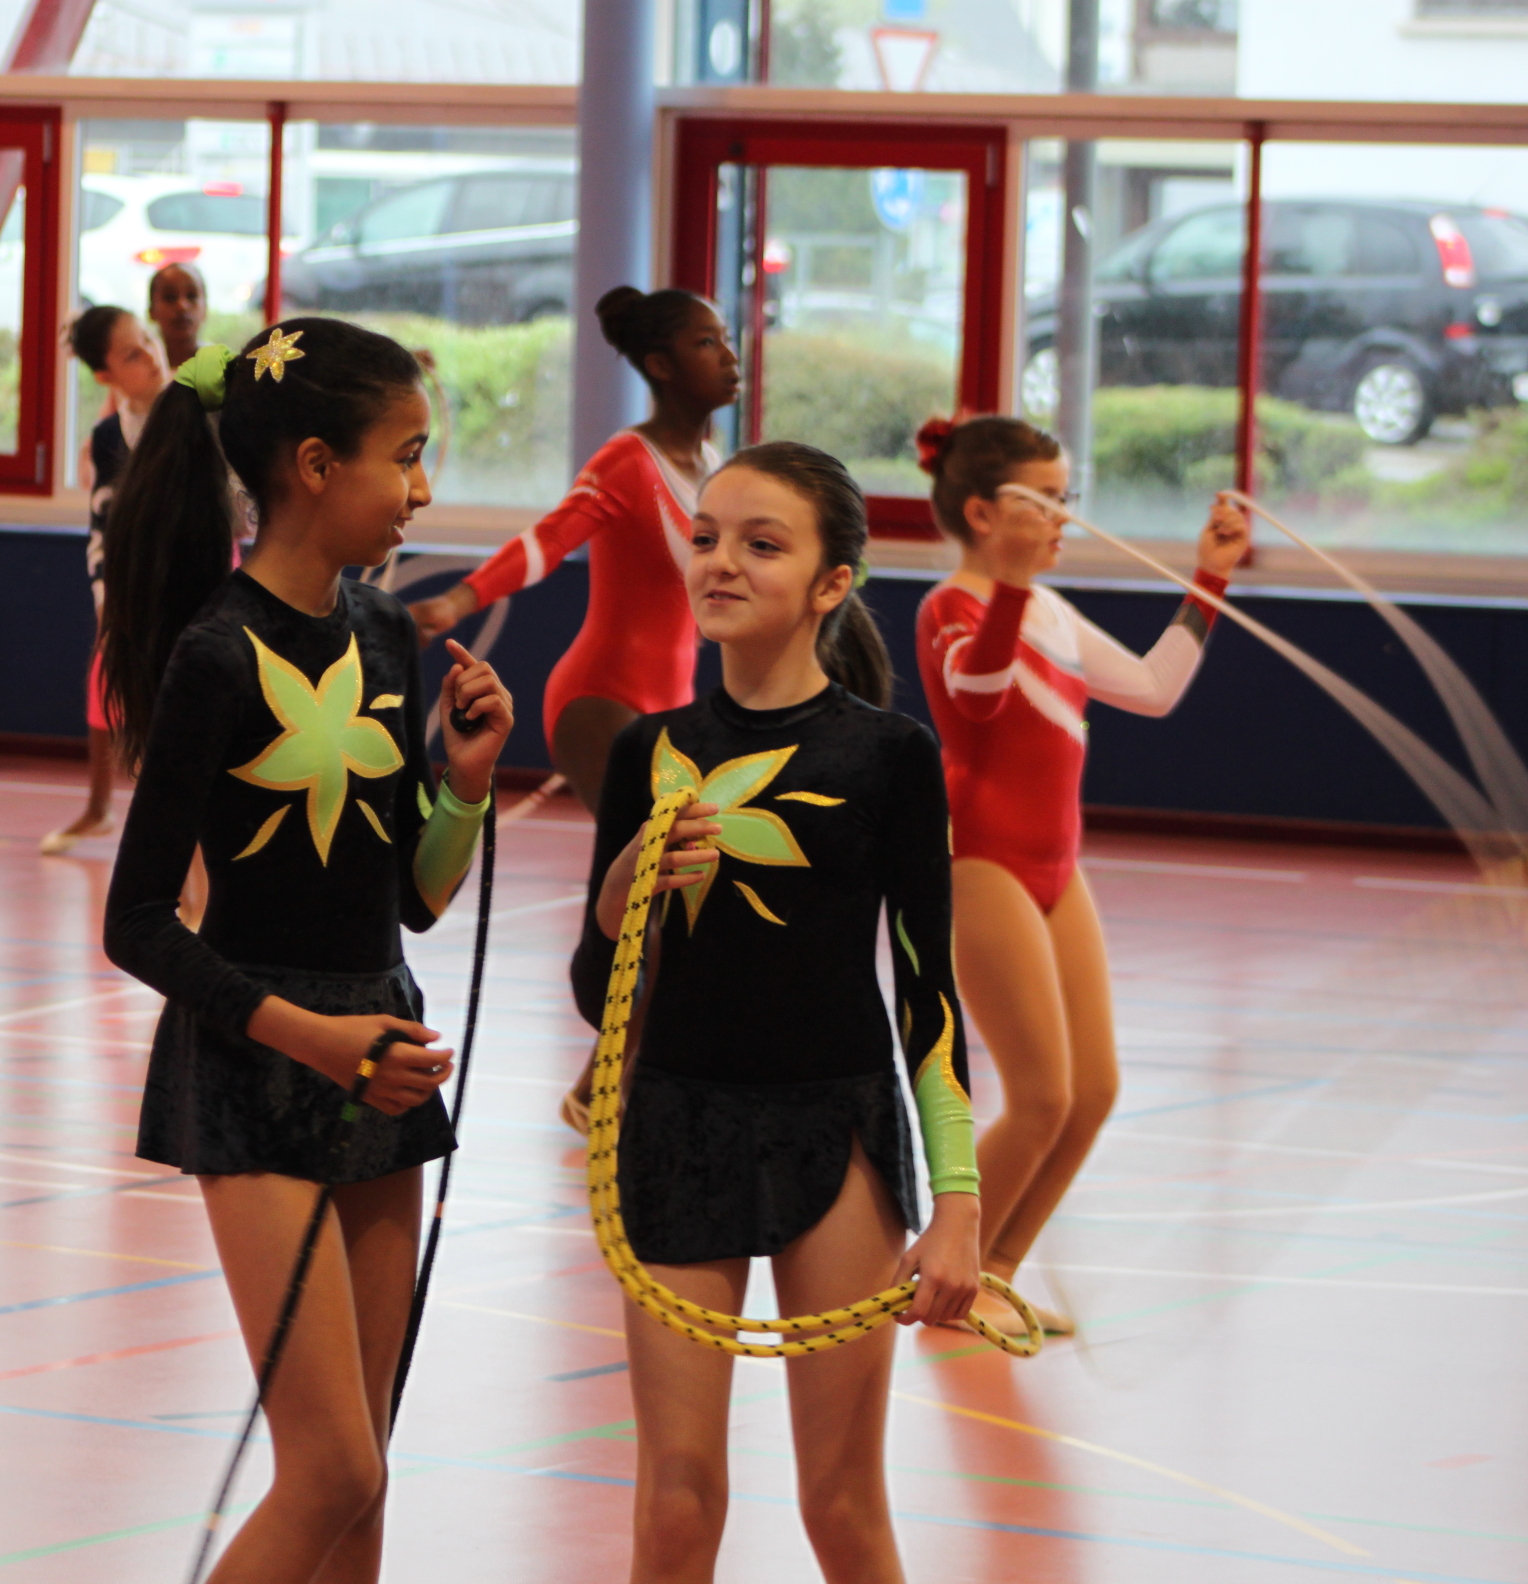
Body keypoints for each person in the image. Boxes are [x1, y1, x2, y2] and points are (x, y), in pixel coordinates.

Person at [99, 317, 511, 1584]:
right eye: (408, 456)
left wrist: (466, 785)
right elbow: (135, 921)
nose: (423, 490)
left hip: (378, 1055)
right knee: (329, 1467)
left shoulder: (385, 633)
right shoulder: (215, 656)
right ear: (318, 467)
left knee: (363, 1481)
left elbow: (413, 902)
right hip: (256, 1066)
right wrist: (314, 1041)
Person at [572, 442, 980, 1584]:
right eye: (705, 537)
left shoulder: (890, 756)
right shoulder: (649, 751)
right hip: (674, 1126)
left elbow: (929, 995)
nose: (721, 562)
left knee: (842, 1502)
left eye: (762, 544)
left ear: (830, 582)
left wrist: (957, 1202)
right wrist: (615, 901)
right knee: (675, 1502)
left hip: (835, 1132)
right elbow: (599, 997)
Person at [913, 414, 1248, 1338]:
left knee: (1092, 1093)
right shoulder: (952, 608)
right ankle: (948, 1278)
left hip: (1059, 868)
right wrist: (1014, 584)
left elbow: (1153, 688)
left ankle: (996, 1274)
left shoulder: (1049, 611)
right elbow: (978, 700)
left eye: (1069, 499)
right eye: (1047, 501)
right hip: (982, 864)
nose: (1065, 517)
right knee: (1042, 1097)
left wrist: (1209, 576)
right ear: (984, 513)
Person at [408, 285, 738, 812]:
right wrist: (455, 603)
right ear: (661, 365)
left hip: (676, 698)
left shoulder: (715, 467)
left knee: (667, 860)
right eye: (707, 343)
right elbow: (551, 539)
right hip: (602, 698)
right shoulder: (629, 461)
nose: (729, 356)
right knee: (636, 853)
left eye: (726, 339)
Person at [42, 304, 169, 855]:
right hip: (136, 591)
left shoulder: (195, 411)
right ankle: (100, 809)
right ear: (105, 376)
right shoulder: (108, 438)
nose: (152, 355)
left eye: (148, 340)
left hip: (202, 584)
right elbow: (102, 533)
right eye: (132, 355)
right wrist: (107, 601)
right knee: (107, 675)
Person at [148, 259, 209, 373]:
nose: (182, 306)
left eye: (191, 296)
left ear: (205, 308)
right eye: (170, 297)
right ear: (151, 311)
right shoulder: (137, 375)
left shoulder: (227, 372)